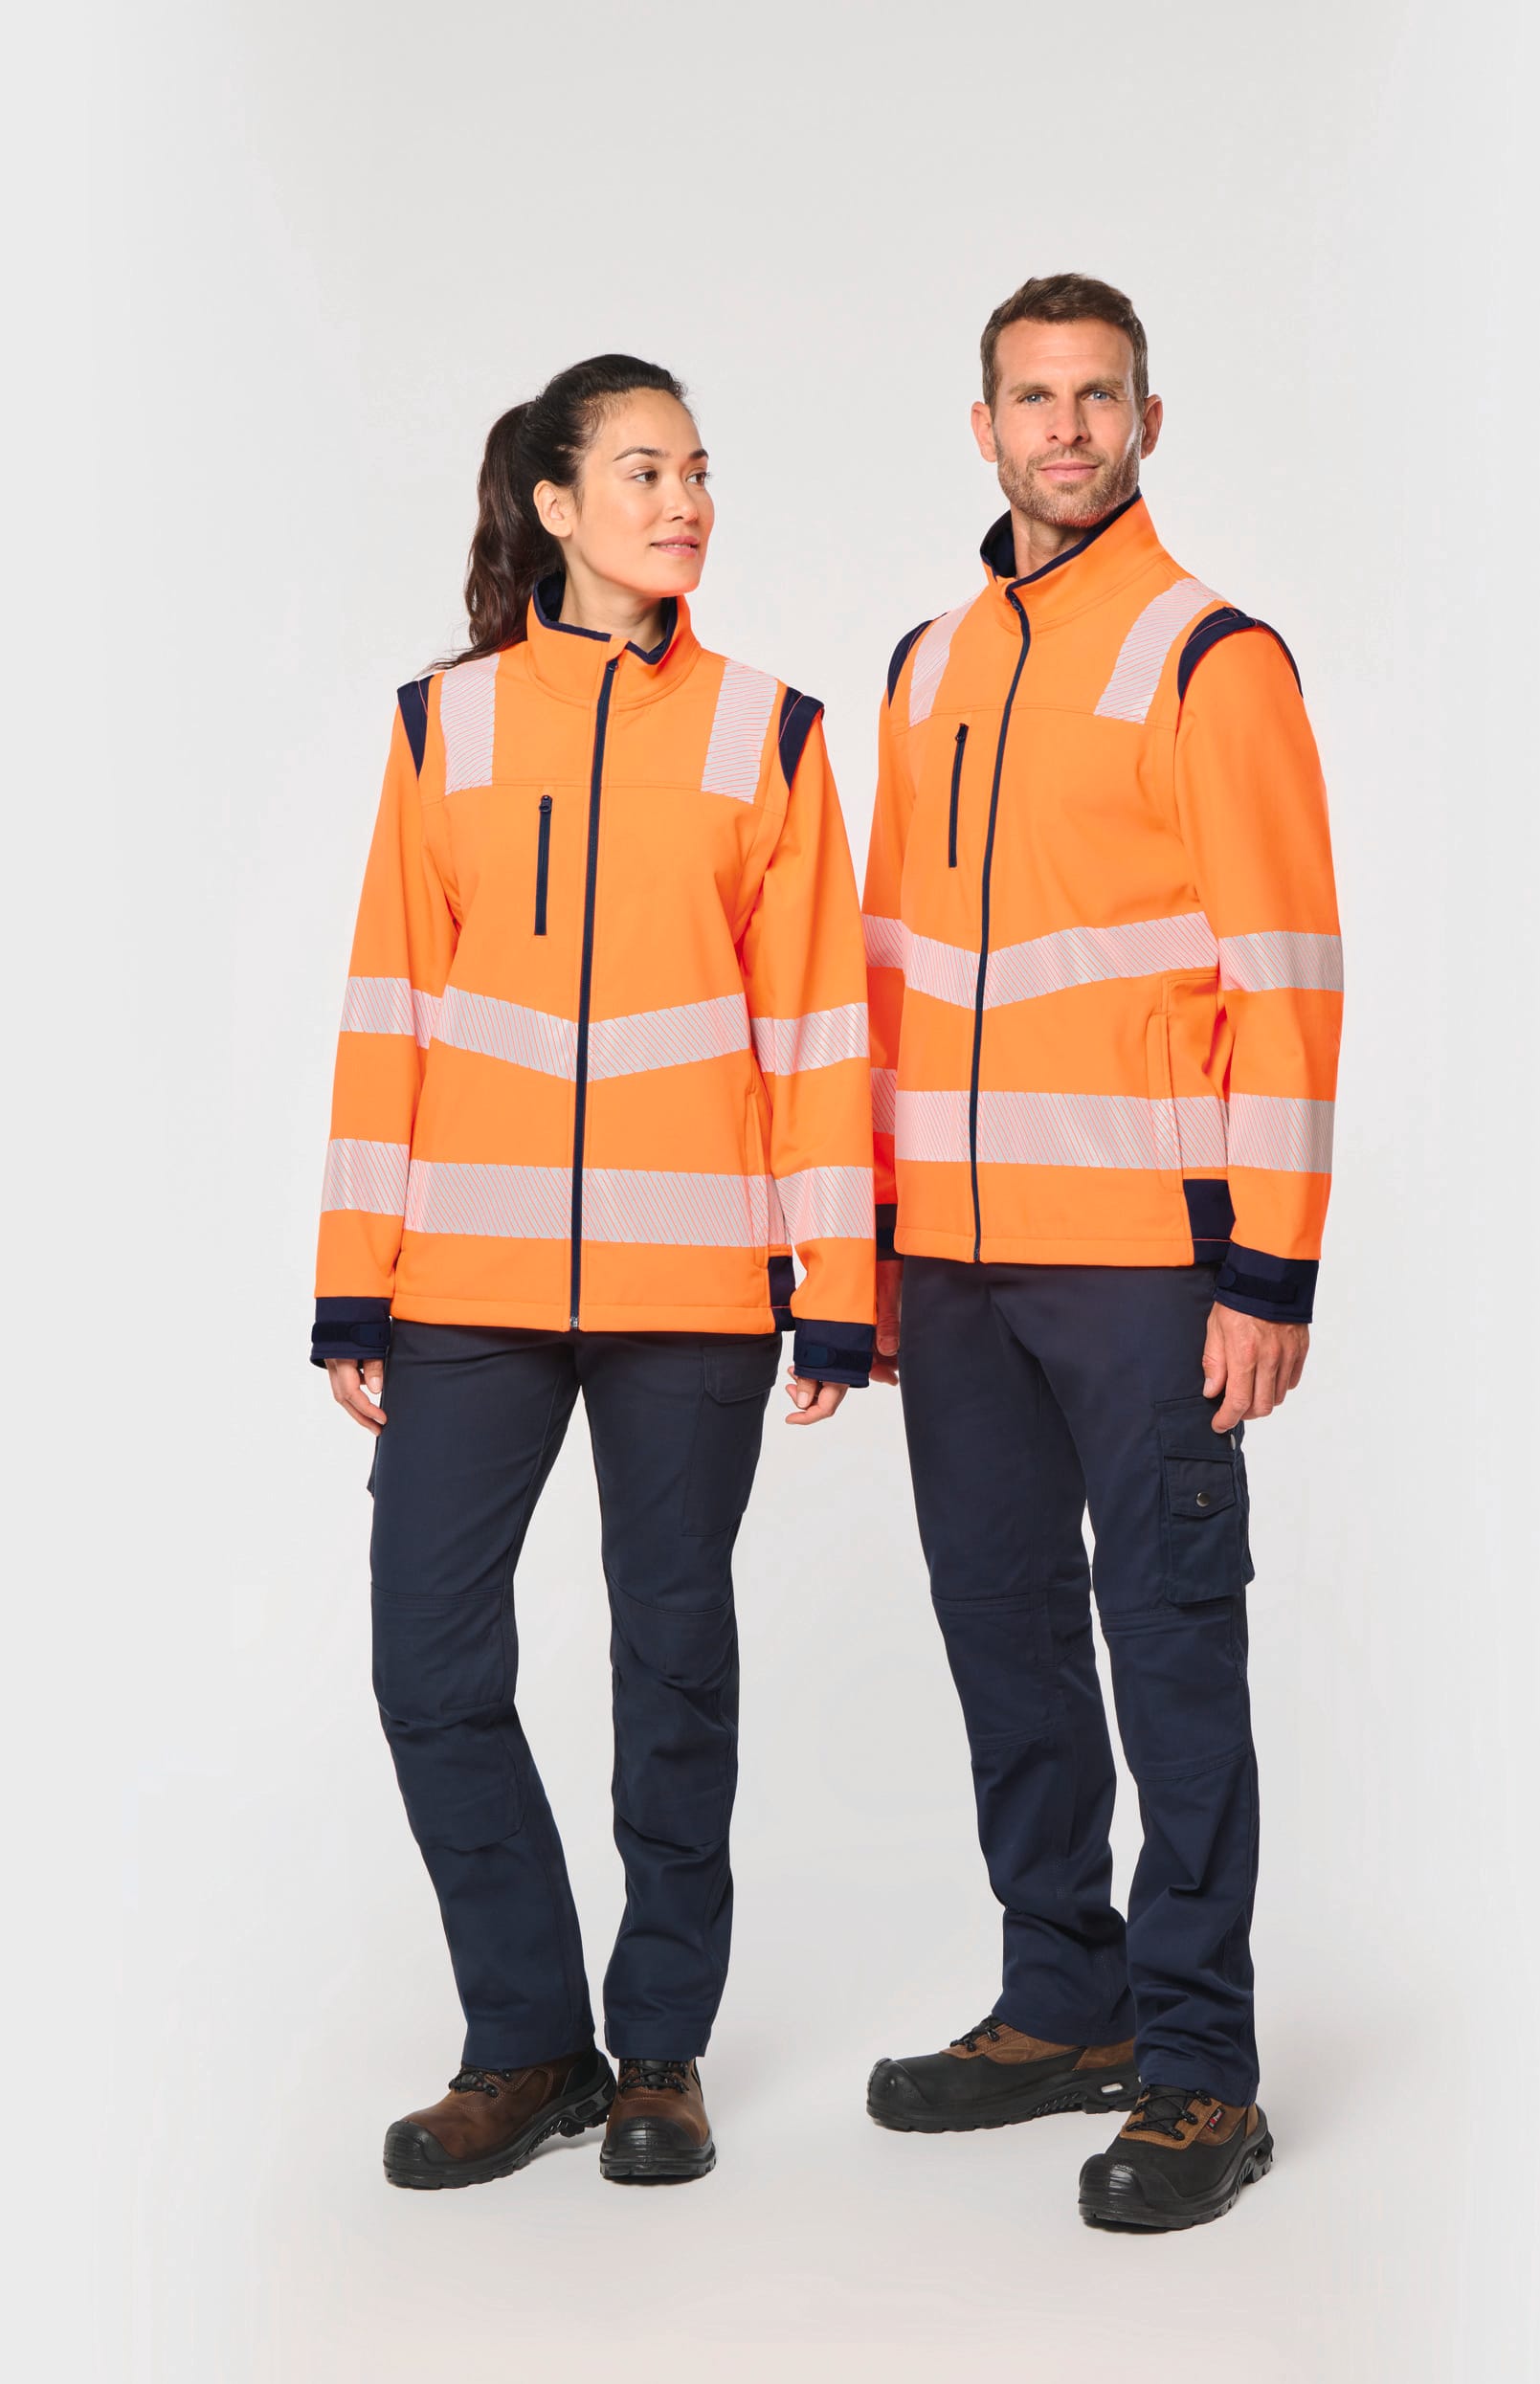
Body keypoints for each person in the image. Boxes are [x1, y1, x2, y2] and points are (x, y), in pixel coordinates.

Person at [312, 355, 875, 2189]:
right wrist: (355, 1279)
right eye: (643, 470)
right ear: (553, 504)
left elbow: (818, 1028)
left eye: (697, 469)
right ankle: (527, 2039)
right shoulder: (446, 726)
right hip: (465, 1286)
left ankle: (659, 2054)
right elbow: (389, 1013)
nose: (684, 499)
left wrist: (837, 1278)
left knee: (673, 1666)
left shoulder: (769, 732)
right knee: (429, 1662)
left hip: (693, 1289)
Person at [862, 276, 1340, 2230]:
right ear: (982, 425)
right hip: (956, 1266)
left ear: (1147, 419)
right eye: (1031, 396)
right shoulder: (926, 667)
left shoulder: (1211, 658)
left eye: (1097, 396)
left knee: (1172, 1645)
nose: (1064, 427)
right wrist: (872, 1240)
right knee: (1004, 1631)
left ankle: (1204, 2066)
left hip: (1149, 1261)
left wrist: (1270, 1269)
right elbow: (885, 978)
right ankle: (1065, 1998)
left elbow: (1286, 976)